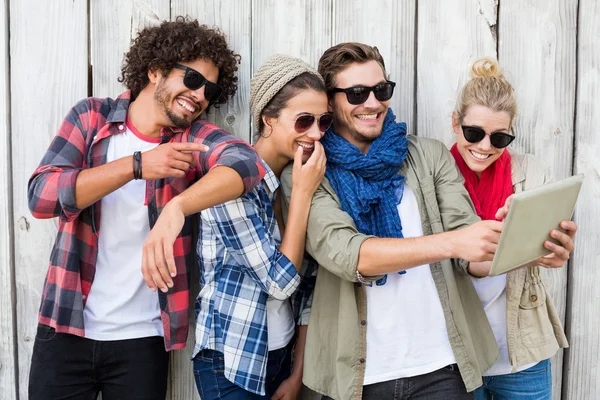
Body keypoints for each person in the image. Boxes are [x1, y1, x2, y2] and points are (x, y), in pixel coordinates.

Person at [279, 42, 576, 400]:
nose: (372, 103)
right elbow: (348, 255)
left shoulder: (428, 155)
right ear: (331, 100)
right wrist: (451, 242)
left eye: (381, 90)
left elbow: (471, 258)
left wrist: (534, 249)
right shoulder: (309, 172)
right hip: (355, 375)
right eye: (356, 93)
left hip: (443, 370)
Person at [27, 17, 264, 400]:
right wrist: (137, 165)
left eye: (210, 88)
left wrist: (177, 209)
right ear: (155, 69)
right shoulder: (92, 118)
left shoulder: (191, 139)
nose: (200, 94)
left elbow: (247, 164)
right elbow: (41, 196)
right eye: (191, 79)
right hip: (65, 329)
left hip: (142, 341)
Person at [190, 55, 328, 399]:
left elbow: (310, 285)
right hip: (232, 361)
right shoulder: (233, 185)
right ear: (268, 119)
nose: (316, 133)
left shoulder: (296, 181)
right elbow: (280, 282)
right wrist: (303, 196)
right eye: (304, 121)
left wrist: (297, 372)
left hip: (282, 355)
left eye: (324, 121)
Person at [450, 57, 576, 400]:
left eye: (499, 137)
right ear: (455, 123)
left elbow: (550, 247)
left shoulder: (534, 174)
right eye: (473, 133)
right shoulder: (436, 176)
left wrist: (557, 248)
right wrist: (518, 248)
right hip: (456, 357)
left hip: (523, 352)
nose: (484, 147)